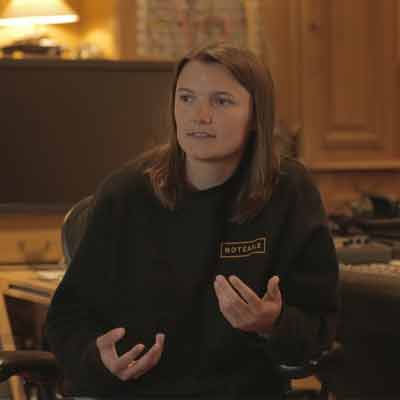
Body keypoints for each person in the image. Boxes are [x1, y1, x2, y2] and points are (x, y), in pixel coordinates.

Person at [45, 42, 339, 399]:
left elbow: (320, 328)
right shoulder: (126, 193)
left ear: (255, 116)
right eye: (186, 98)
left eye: (221, 101)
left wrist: (272, 323)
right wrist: (97, 361)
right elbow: (67, 318)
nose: (199, 115)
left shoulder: (289, 191)